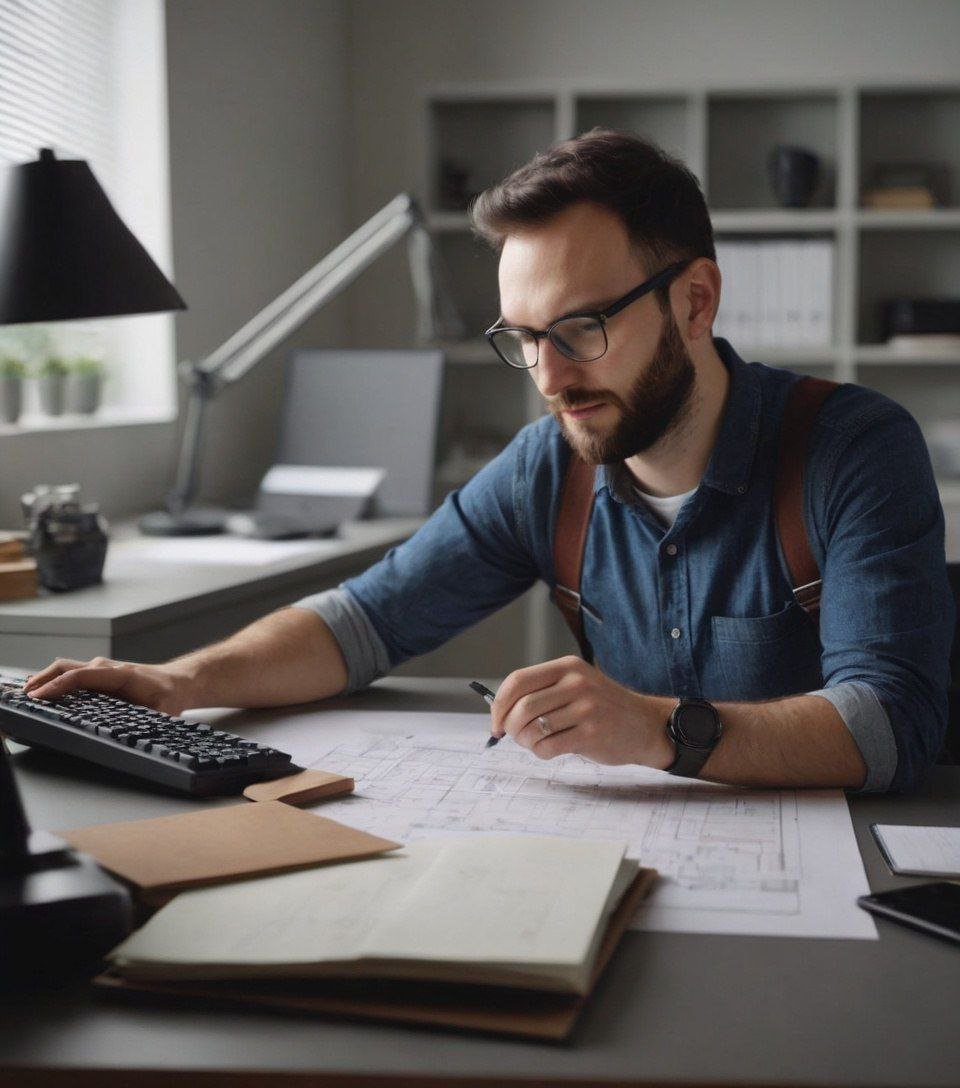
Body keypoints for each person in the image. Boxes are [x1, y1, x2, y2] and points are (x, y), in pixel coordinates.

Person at [24, 130, 953, 792]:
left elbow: (892, 724)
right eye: (524, 337)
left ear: (696, 301)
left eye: (582, 328)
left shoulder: (853, 449)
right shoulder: (548, 467)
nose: (548, 376)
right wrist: (177, 683)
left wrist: (653, 727)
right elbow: (361, 622)